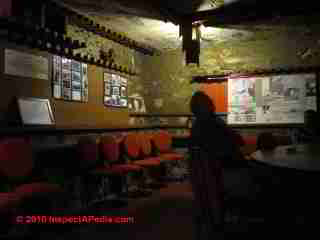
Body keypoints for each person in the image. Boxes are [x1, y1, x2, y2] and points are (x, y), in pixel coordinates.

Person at [188, 91, 258, 239]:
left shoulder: (196, 128)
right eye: (208, 104)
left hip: (214, 178)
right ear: (210, 105)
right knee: (262, 175)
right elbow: (238, 140)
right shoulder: (214, 123)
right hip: (228, 175)